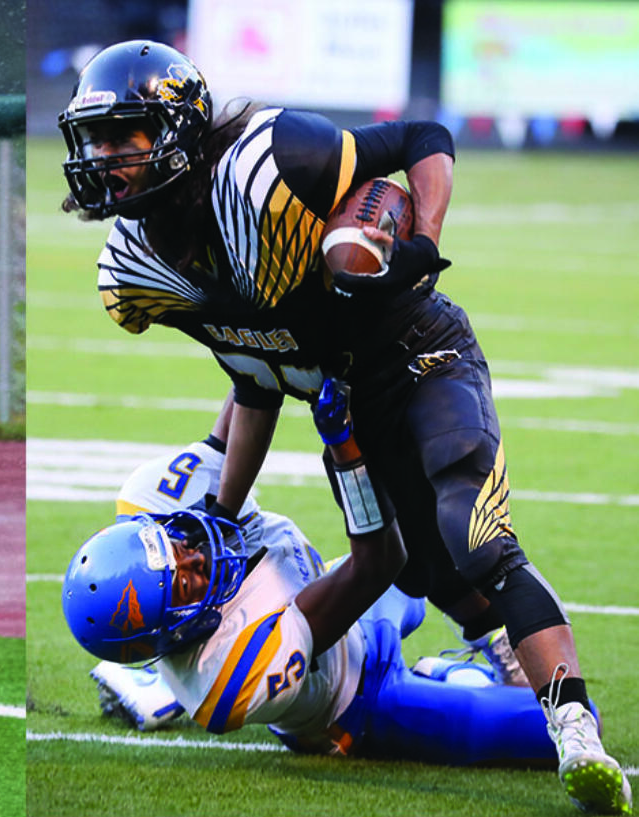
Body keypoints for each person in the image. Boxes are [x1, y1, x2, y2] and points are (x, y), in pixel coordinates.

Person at [57, 39, 630, 815]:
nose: (102, 158)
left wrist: (421, 239)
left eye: (122, 136)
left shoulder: (272, 164)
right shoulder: (137, 274)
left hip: (420, 352)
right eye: (93, 140)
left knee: (472, 530)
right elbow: (252, 378)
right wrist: (243, 498)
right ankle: (493, 643)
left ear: (178, 134)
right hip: (345, 407)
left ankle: (572, 724)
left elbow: (423, 135)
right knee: (424, 569)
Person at [62, 382, 589, 770]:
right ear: (171, 632)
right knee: (561, 725)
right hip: (360, 696)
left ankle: (489, 635)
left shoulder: (154, 500)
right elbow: (380, 562)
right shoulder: (228, 673)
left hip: (339, 593)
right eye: (184, 583)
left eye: (172, 548)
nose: (194, 558)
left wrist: (260, 348)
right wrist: (343, 446)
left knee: (434, 545)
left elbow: (250, 393)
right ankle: (449, 675)